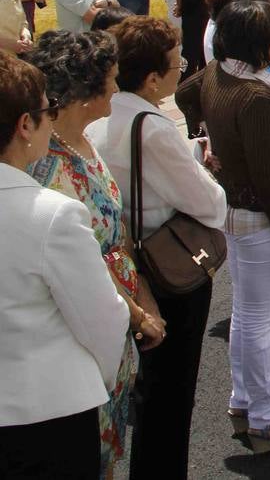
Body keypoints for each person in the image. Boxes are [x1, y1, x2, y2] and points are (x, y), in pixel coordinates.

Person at [87, 17, 227, 479]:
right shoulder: (151, 124)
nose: (181, 67)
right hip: (168, 270)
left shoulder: (99, 117)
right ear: (152, 77)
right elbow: (209, 202)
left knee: (143, 393)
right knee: (171, 398)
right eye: (175, 62)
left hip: (123, 267)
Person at [176, 0, 270, 452]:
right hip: (261, 219)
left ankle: (245, 403)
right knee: (258, 322)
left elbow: (184, 94)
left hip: (236, 210)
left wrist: (210, 142)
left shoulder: (218, 72)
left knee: (247, 317)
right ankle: (266, 418)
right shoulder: (254, 95)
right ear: (261, 42)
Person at [25, 30, 163, 474]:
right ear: (87, 95)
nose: (119, 86)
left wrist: (141, 293)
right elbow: (79, 264)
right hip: (89, 324)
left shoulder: (84, 139)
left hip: (119, 311)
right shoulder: (48, 166)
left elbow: (115, 232)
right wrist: (139, 314)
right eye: (113, 79)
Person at [0, 52, 130, 480]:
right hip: (49, 412)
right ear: (24, 125)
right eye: (44, 110)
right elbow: (104, 321)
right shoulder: (53, 214)